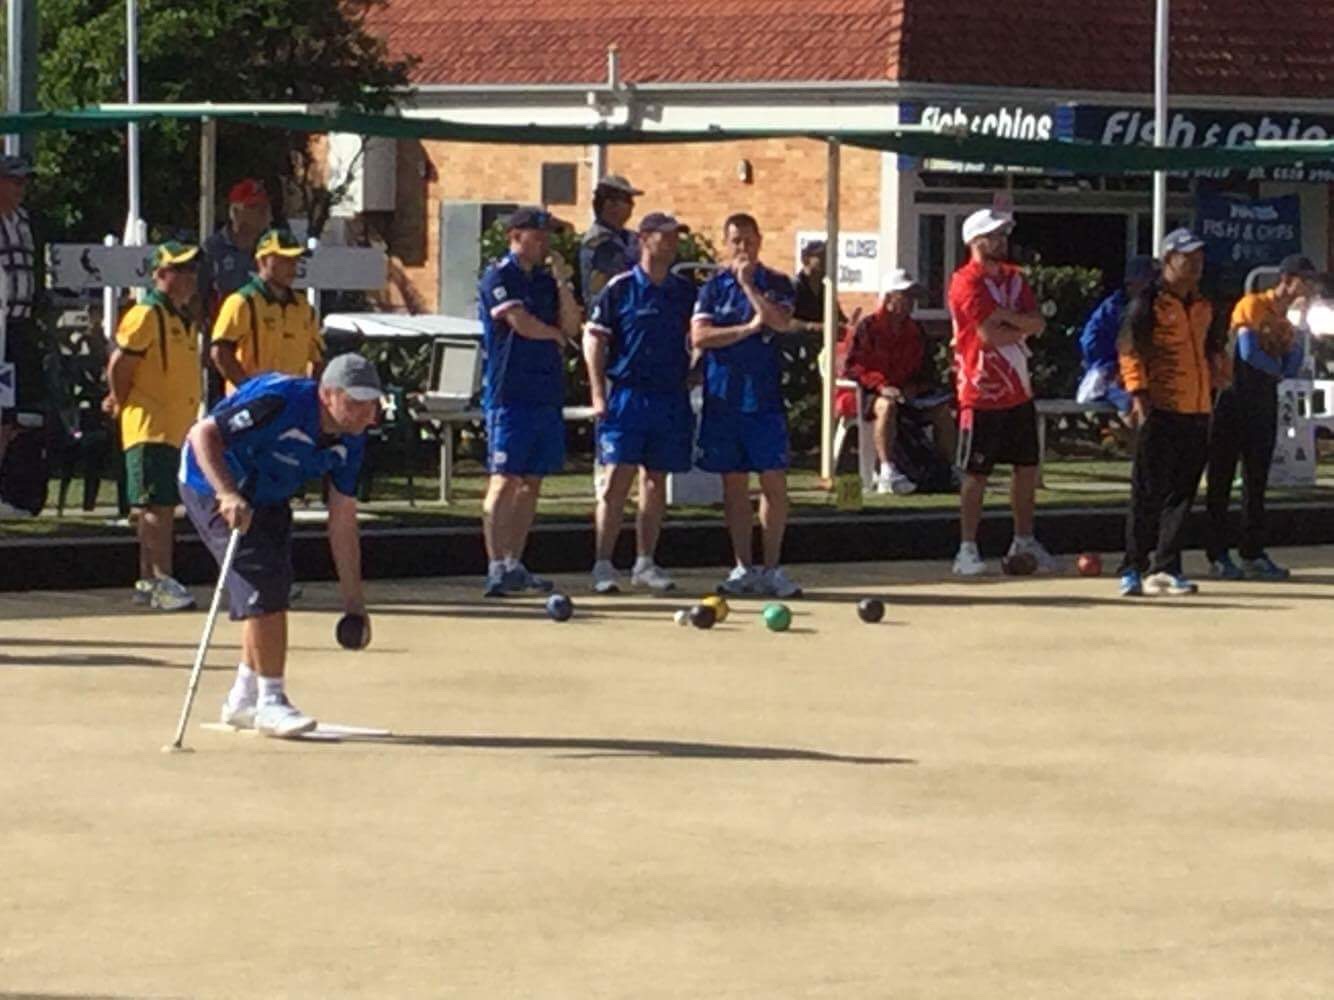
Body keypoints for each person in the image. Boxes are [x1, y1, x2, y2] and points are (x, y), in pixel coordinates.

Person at [179, 354, 380, 737]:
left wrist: (354, 603)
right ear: (327, 395)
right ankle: (271, 700)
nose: (362, 415)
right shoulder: (280, 401)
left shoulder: (351, 442)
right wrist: (226, 493)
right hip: (212, 483)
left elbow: (342, 518)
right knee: (263, 584)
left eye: (370, 405)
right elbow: (203, 434)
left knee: (273, 586)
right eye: (353, 403)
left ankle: (243, 698)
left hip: (269, 495)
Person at [691, 212, 802, 598]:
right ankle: (742, 566)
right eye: (735, 240)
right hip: (724, 399)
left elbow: (781, 323)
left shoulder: (776, 282)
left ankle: (772, 567)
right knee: (734, 484)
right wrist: (747, 329)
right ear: (726, 243)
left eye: (748, 239)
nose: (742, 247)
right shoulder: (711, 289)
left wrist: (750, 288)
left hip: (764, 398)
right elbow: (701, 337)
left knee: (773, 481)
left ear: (759, 240)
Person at [584, 212, 696, 594]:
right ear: (644, 239)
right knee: (617, 480)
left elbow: (700, 336)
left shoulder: (684, 291)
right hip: (628, 395)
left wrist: (695, 372)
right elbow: (595, 339)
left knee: (656, 480)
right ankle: (602, 563)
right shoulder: (619, 288)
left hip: (669, 396)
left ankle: (645, 562)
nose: (671, 243)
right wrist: (598, 393)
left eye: (674, 237)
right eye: (663, 236)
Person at [478, 206, 582, 597]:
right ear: (515, 236)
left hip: (545, 393)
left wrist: (562, 283)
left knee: (532, 482)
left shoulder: (544, 280)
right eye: (536, 236)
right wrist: (554, 336)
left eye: (547, 237)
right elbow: (519, 322)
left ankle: (515, 562)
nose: (544, 244)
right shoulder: (498, 276)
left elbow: (572, 325)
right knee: (505, 479)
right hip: (510, 394)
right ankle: (495, 564)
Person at [1117, 228, 1221, 597]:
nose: (1195, 265)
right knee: (1147, 490)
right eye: (1186, 258)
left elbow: (1212, 348)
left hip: (1197, 409)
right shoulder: (1148, 303)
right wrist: (1138, 394)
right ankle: (1132, 565)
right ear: (1167, 261)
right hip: (1160, 407)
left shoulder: (1204, 305)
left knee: (1183, 492)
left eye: (1199, 258)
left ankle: (1166, 566)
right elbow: (1130, 350)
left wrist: (1220, 376)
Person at [948, 208, 1052, 575]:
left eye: (1003, 234)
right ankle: (967, 549)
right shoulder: (965, 281)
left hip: (1018, 388)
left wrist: (1010, 321)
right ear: (975, 241)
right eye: (993, 235)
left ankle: (1023, 539)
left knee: (1026, 467)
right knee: (976, 473)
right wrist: (1017, 325)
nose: (1001, 241)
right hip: (980, 389)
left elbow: (1037, 322)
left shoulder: (1014, 279)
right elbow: (986, 336)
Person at [103, 241, 202, 612]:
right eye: (180, 270)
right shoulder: (146, 314)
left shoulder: (182, 316)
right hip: (150, 424)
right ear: (160, 274)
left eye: (192, 270)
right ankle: (161, 578)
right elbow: (120, 365)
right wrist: (120, 398)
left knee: (159, 504)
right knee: (156, 507)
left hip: (175, 425)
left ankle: (149, 581)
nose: (189, 277)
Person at [1205, 254, 1315, 581]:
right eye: (1303, 280)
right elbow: (1248, 352)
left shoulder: (1289, 319)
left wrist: (1298, 326)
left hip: (1263, 400)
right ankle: (1218, 553)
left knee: (1256, 480)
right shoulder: (1252, 304)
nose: (1307, 288)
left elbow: (1294, 363)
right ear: (1287, 278)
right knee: (1221, 479)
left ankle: (1252, 551)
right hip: (1232, 396)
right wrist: (1279, 372)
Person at [843, 267, 957, 494]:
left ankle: (947, 470)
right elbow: (853, 367)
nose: (909, 302)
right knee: (887, 406)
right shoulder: (868, 327)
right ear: (887, 299)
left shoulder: (916, 330)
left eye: (911, 297)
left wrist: (916, 388)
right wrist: (882, 386)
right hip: (872, 395)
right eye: (903, 296)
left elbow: (926, 371)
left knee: (943, 410)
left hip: (909, 396)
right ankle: (887, 470)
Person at [209, 228, 323, 392]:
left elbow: (317, 359)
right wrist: (248, 390)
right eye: (284, 259)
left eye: (295, 259)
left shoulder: (304, 307)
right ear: (262, 261)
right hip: (252, 405)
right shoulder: (242, 301)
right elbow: (220, 352)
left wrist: (312, 394)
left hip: (291, 402)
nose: (292, 266)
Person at [0, 154, 45, 519]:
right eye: (14, 181)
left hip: (21, 326)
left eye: (23, 182)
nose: (20, 189)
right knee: (4, 411)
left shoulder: (26, 222)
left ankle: (20, 492)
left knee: (24, 411)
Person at [1076, 255, 1158, 415]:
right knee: (1132, 405)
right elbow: (1090, 344)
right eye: (1149, 282)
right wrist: (1113, 364)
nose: (1154, 287)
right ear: (1130, 283)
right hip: (1113, 375)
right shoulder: (1113, 309)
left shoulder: (1160, 306)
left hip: (1153, 376)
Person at [199, 179, 272, 320]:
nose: (263, 212)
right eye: (254, 206)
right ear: (235, 212)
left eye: (265, 206)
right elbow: (199, 296)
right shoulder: (213, 249)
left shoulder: (272, 247)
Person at [578, 174, 643, 306]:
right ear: (610, 204)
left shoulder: (627, 236)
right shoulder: (599, 243)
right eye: (627, 200)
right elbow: (614, 283)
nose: (632, 205)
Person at [790, 240, 847, 334]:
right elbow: (783, 322)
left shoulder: (826, 291)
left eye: (829, 258)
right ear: (806, 259)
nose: (826, 262)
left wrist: (847, 325)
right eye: (822, 256)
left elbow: (839, 319)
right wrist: (814, 327)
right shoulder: (793, 287)